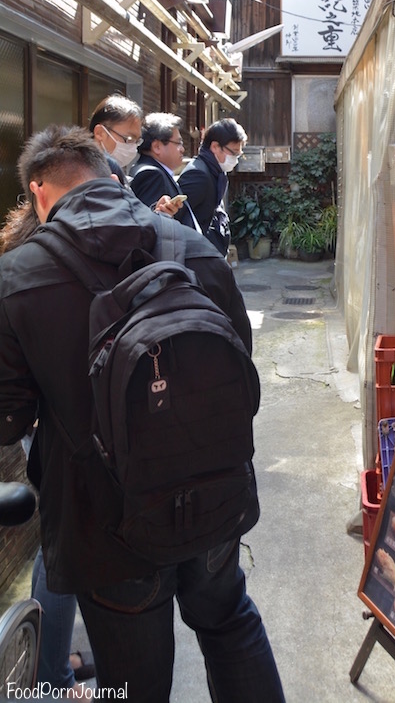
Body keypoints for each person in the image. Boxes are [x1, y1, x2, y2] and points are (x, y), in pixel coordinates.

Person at [0, 126, 284, 703]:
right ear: (111, 174)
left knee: (136, 678)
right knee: (229, 622)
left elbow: (8, 418)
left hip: (105, 523)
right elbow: (241, 371)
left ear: (39, 193)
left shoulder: (18, 277)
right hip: (213, 494)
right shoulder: (194, 248)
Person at [0, 201, 94, 699]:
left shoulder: (25, 263)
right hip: (57, 429)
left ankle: (53, 663)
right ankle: (51, 677)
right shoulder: (42, 270)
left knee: (62, 542)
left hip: (50, 426)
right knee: (62, 546)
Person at [179, 118, 247, 255]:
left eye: (238, 154)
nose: (235, 159)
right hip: (195, 254)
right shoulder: (198, 174)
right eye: (233, 152)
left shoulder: (214, 171)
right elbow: (179, 216)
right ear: (215, 147)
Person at [129, 112, 200, 230]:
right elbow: (153, 228)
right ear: (157, 147)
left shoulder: (153, 170)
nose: (182, 149)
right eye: (178, 143)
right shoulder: (152, 175)